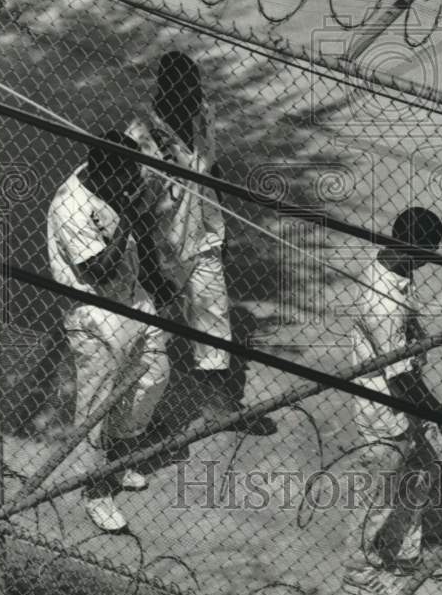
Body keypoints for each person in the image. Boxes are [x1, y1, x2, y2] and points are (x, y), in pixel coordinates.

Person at [126, 50, 275, 435]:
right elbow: (136, 214)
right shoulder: (142, 140)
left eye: (195, 94)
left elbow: (211, 165)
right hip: (162, 248)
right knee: (148, 336)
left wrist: (218, 216)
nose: (192, 104)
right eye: (184, 97)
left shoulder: (201, 112)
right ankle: (132, 417)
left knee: (213, 319)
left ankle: (217, 406)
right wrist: (151, 269)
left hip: (204, 234)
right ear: (164, 95)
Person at [342, 206, 442, 595]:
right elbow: (400, 380)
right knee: (378, 495)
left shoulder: (396, 270)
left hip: (399, 405)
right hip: (385, 410)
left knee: (420, 472)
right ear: (415, 247)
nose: (432, 260)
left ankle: (402, 552)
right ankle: (358, 569)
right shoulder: (385, 302)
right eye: (429, 251)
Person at [47, 131, 171, 533]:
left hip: (132, 297)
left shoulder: (112, 180)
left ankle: (117, 461)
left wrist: (153, 278)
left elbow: (141, 239)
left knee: (153, 374)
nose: (135, 179)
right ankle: (94, 490)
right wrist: (131, 217)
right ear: (105, 173)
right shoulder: (71, 206)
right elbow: (96, 269)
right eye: (128, 172)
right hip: (95, 310)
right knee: (97, 404)